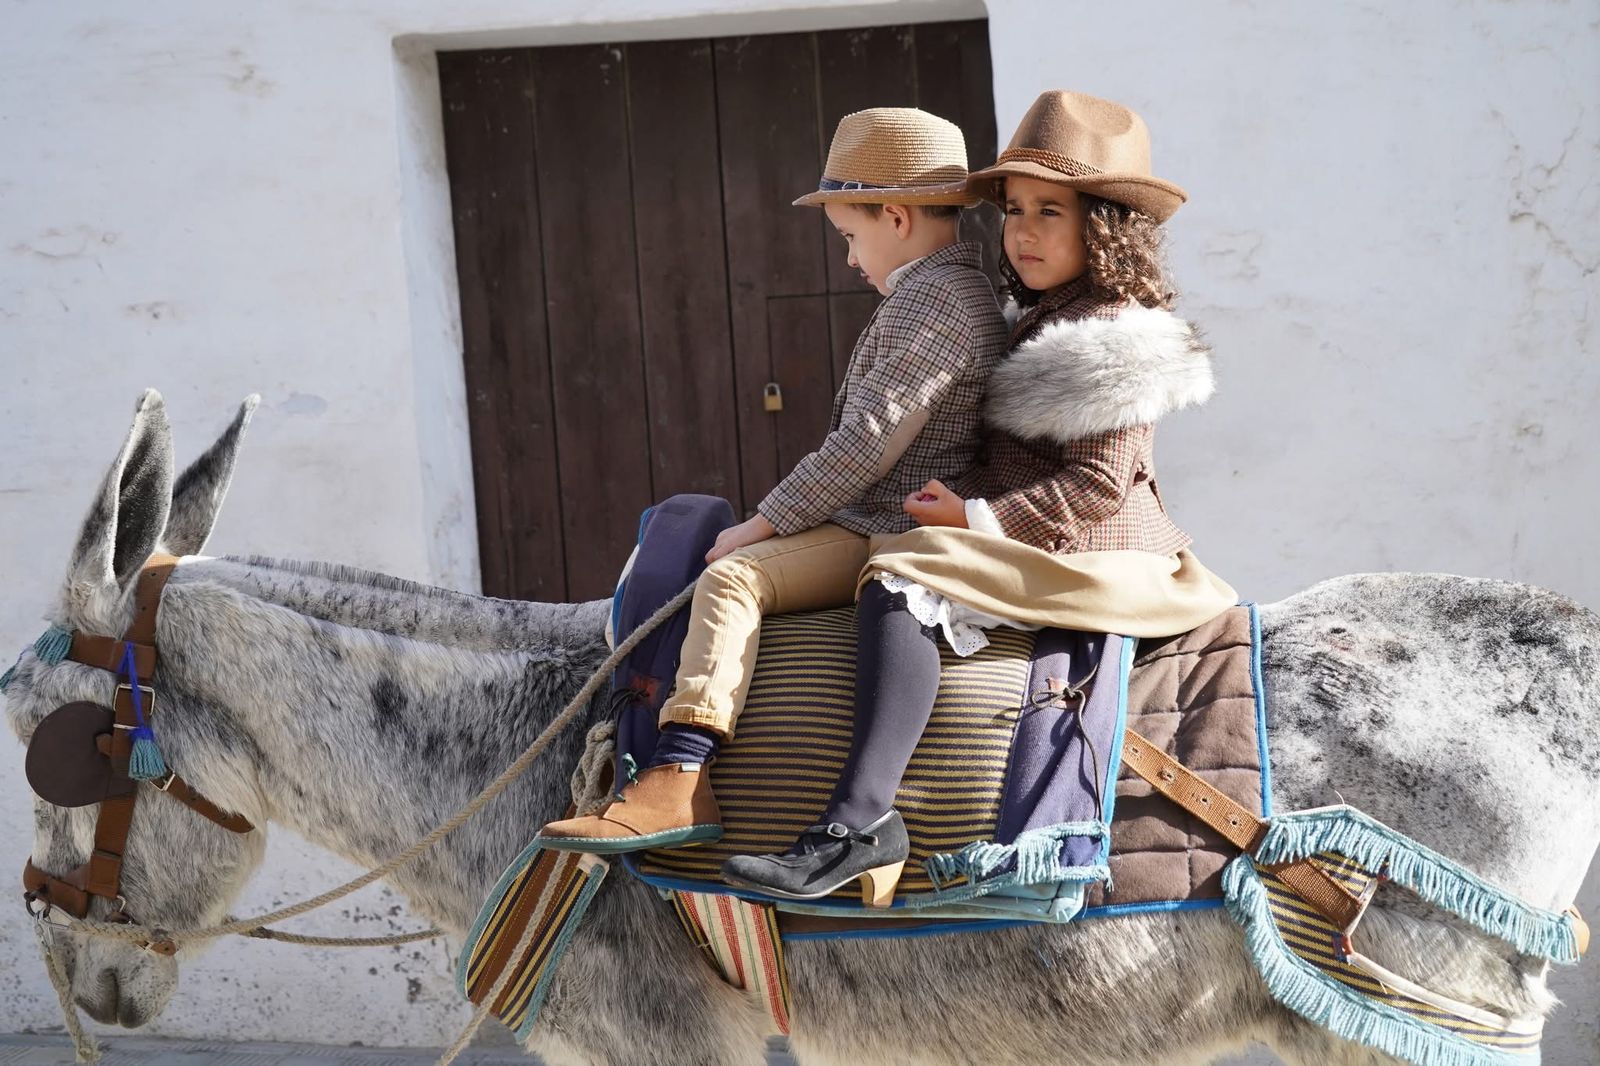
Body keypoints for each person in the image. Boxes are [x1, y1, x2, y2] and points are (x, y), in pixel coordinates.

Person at [720, 90, 1236, 905]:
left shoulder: (1114, 334)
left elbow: (1096, 488)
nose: (1023, 232)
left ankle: (860, 820)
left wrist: (973, 519)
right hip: (1042, 531)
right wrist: (959, 495)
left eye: (1051, 213)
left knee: (904, 581)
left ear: (1102, 225)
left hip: (1106, 553)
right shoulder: (1036, 314)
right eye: (1016, 211)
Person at [538, 107, 1009, 853]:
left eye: (852, 237)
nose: (851, 259)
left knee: (732, 580)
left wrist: (760, 526)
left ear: (894, 215)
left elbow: (865, 447)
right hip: (881, 516)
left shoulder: (941, 304)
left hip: (887, 526)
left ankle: (680, 775)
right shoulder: (943, 295)